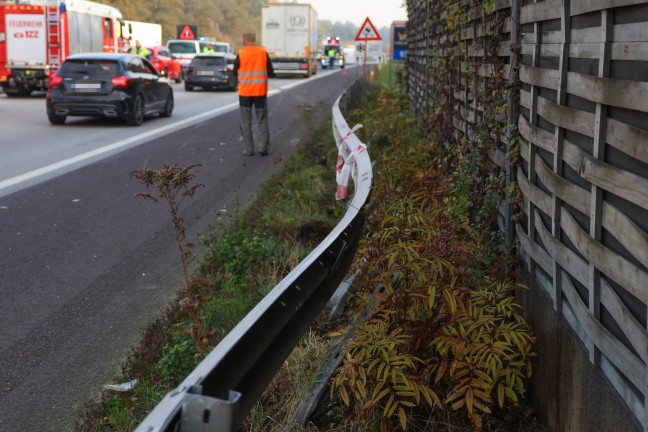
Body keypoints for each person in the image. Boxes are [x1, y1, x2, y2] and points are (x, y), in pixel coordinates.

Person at [233, 33, 275, 156]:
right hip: (260, 93)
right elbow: (271, 72)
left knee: (246, 122)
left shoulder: (241, 54)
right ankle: (263, 148)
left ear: (245, 41)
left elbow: (234, 72)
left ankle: (249, 150)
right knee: (262, 120)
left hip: (245, 94)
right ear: (254, 41)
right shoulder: (263, 53)